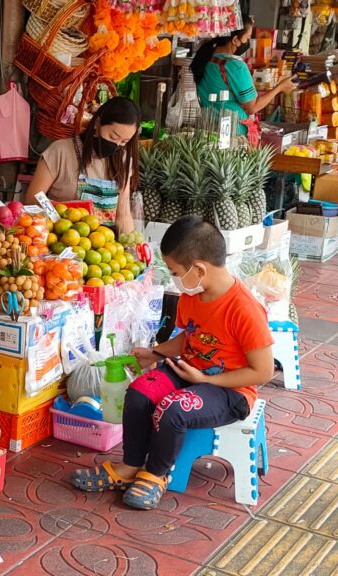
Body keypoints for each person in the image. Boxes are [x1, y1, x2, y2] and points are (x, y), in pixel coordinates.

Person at [71, 217, 274, 510]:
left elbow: (263, 371)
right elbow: (189, 337)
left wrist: (206, 380)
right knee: (140, 391)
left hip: (231, 390)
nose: (174, 278)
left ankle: (155, 474)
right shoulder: (193, 295)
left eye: (176, 272)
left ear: (199, 269)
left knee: (174, 408)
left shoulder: (244, 309)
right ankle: (129, 467)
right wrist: (155, 353)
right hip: (189, 372)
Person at [25, 97, 140, 234]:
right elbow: (32, 200)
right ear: (98, 123)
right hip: (60, 246)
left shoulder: (123, 160)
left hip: (106, 250)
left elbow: (123, 214)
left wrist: (132, 246)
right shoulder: (60, 151)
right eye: (113, 137)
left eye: (124, 142)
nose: (116, 145)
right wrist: (63, 208)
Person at [191, 16, 298, 138]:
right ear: (235, 39)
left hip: (207, 128)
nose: (248, 43)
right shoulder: (236, 66)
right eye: (247, 38)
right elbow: (252, 107)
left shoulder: (204, 59)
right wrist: (280, 87)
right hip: (232, 132)